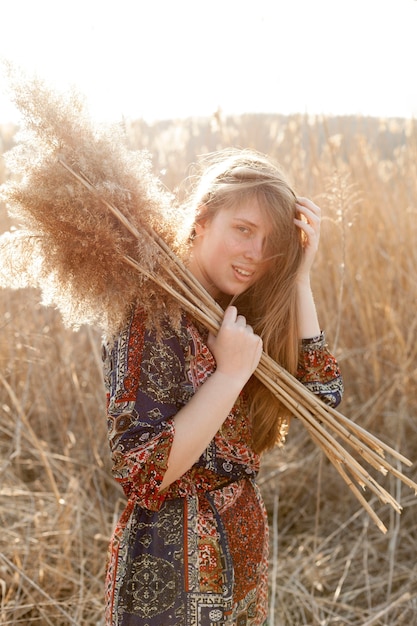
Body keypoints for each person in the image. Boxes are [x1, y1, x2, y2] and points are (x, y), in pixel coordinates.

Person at [102, 149, 344, 626]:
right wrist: (230, 376)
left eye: (272, 242)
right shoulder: (149, 311)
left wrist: (299, 275)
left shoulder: (235, 316)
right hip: (171, 571)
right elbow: (142, 469)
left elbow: (323, 400)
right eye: (243, 229)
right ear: (201, 219)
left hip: (242, 559)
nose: (256, 254)